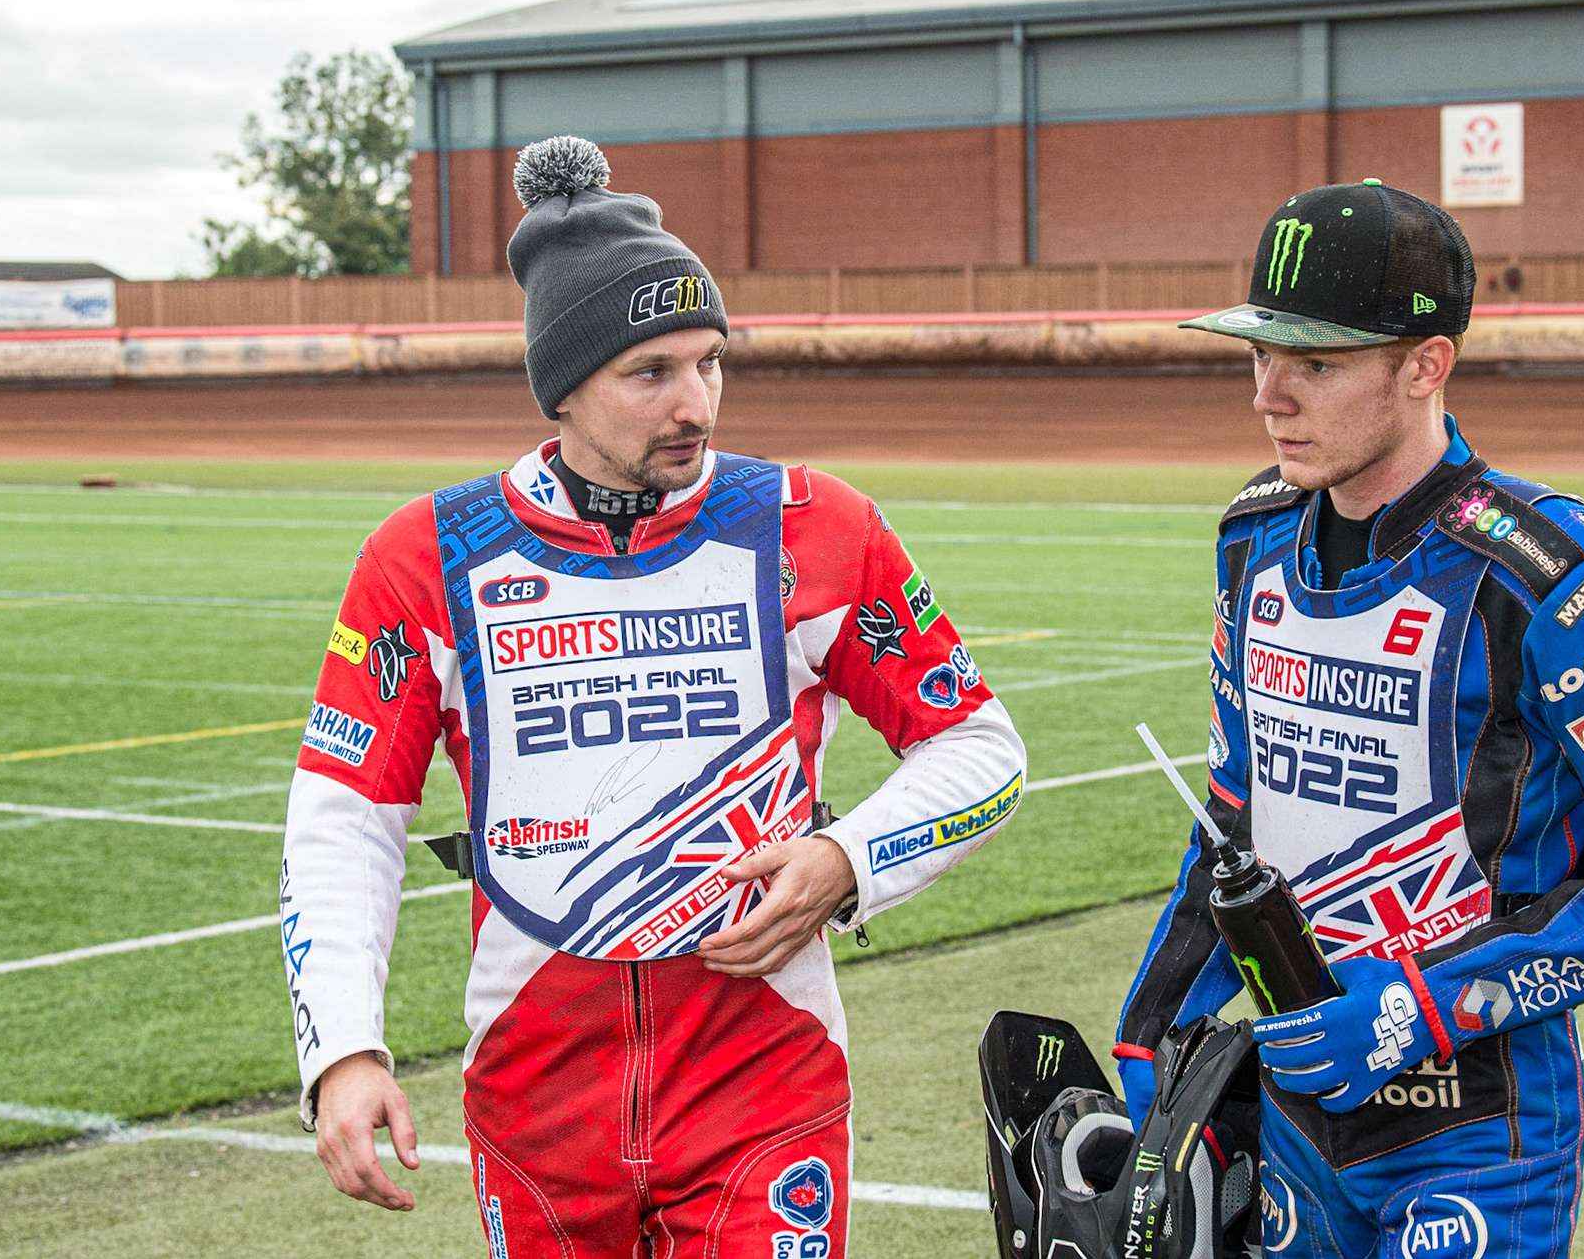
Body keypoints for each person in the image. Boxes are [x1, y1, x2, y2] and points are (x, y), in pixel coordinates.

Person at [279, 135, 1025, 1258]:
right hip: (536, 1092)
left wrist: (848, 861)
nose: (697, 404)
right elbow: (346, 815)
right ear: (564, 385)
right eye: (653, 372)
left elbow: (981, 748)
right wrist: (343, 1048)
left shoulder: (814, 524)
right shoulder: (424, 556)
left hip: (764, 1072)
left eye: (710, 361)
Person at [1112, 180, 1584, 1258]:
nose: (1270, 394)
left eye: (1315, 363)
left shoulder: (1556, 576)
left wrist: (1418, 1008)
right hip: (1292, 1098)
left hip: (1478, 1128)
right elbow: (1234, 811)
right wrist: (1152, 1024)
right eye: (1260, 354)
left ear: (1425, 365)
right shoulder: (1249, 538)